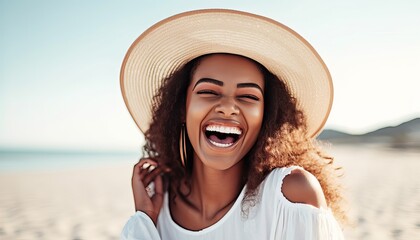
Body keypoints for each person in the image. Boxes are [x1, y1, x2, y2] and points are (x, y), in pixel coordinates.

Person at [120, 9, 345, 239]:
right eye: (208, 91)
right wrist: (145, 218)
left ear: (266, 117)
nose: (228, 107)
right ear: (181, 108)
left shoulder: (291, 196)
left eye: (248, 96)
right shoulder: (157, 208)